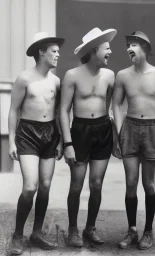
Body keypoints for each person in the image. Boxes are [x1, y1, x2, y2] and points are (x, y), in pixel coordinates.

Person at [112, 31, 155, 250]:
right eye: (128, 44)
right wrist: (119, 134)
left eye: (134, 44)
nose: (129, 48)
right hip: (129, 127)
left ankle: (148, 230)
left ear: (145, 47)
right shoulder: (122, 75)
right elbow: (116, 105)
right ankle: (131, 230)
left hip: (152, 129)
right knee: (130, 182)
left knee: (148, 183)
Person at [8, 32, 65, 255]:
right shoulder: (24, 78)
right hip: (27, 133)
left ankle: (37, 232)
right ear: (41, 51)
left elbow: (60, 112)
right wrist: (12, 141)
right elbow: (13, 110)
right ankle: (17, 235)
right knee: (30, 186)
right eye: (54, 51)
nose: (58, 55)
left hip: (50, 134)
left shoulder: (56, 81)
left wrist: (60, 139)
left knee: (45, 186)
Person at [60, 27, 117, 247]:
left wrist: (112, 131)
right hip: (80, 131)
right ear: (95, 50)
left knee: (96, 183)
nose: (110, 51)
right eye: (107, 48)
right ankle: (73, 229)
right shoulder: (72, 75)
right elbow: (63, 110)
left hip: (102, 130)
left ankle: (90, 227)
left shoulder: (110, 76)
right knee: (76, 185)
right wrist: (67, 143)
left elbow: (111, 105)